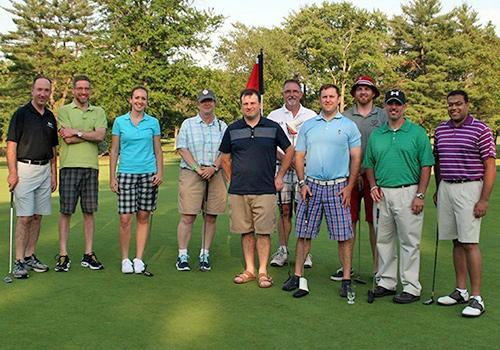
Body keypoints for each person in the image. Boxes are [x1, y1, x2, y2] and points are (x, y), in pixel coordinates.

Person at [282, 84, 362, 298]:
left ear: (338, 99)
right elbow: (299, 156)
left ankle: (346, 279)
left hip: (338, 188)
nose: (327, 100)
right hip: (312, 186)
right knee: (304, 233)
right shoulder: (309, 125)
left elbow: (356, 157)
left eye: (331, 96)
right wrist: (302, 183)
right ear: (320, 99)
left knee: (344, 236)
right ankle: (297, 275)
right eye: (324, 96)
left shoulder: (348, 126)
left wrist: (350, 186)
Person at [364, 89, 434, 304]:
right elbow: (369, 164)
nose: (394, 107)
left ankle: (411, 287)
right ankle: (386, 281)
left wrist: (420, 195)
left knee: (409, 241)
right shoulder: (377, 134)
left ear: (404, 107)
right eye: (390, 104)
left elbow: (426, 164)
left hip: (408, 191)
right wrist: (373, 185)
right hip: (382, 193)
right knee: (383, 240)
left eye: (397, 104)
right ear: (385, 107)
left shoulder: (416, 132)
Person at [219, 88, 293, 288]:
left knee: (264, 232)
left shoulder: (272, 127)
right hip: (239, 190)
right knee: (246, 231)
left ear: (259, 104)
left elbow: (289, 150)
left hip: (265, 189)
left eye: (252, 103)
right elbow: (225, 157)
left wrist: (280, 176)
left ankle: (263, 272)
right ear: (241, 106)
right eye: (245, 104)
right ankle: (250, 270)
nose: (249, 106)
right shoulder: (233, 129)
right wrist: (230, 179)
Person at [434, 90, 496, 317]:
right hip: (447, 188)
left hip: (470, 187)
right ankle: (460, 290)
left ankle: (477, 298)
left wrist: (484, 199)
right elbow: (439, 160)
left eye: (458, 104)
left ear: (467, 104)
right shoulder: (441, 129)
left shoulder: (481, 129)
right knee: (456, 242)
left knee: (469, 243)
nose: (454, 108)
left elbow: (489, 165)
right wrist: (439, 188)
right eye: (450, 105)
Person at [331, 75, 387, 281]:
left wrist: (369, 174)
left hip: (376, 178)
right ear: (354, 93)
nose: (363, 92)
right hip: (349, 178)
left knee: (376, 224)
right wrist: (353, 174)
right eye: (359, 89)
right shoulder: (344, 116)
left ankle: (378, 269)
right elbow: (340, 148)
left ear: (373, 93)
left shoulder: (382, 116)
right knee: (348, 222)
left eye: (367, 89)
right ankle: (347, 267)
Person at [6, 75, 58, 279]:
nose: (43, 94)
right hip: (24, 169)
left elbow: (53, 149)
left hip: (45, 170)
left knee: (37, 216)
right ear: (32, 90)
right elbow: (12, 145)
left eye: (46, 90)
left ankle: (30, 256)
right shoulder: (21, 114)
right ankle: (19, 260)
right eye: (39, 90)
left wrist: (53, 175)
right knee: (25, 217)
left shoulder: (50, 117)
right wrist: (12, 172)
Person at [55, 75, 107, 272]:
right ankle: (63, 254)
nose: (83, 92)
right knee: (66, 211)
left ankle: (88, 253)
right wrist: (89, 135)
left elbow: (100, 135)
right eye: (80, 88)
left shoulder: (99, 111)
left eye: (87, 88)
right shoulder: (64, 110)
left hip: (91, 168)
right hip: (69, 166)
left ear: (90, 90)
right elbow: (66, 139)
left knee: (88, 212)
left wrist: (76, 132)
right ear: (74, 90)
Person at [109, 86, 163, 274]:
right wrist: (112, 176)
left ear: (146, 102)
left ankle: (138, 258)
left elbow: (158, 150)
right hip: (126, 173)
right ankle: (125, 259)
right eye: (137, 98)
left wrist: (160, 171)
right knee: (125, 218)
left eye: (143, 99)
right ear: (130, 100)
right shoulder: (119, 122)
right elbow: (114, 150)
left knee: (143, 216)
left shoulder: (153, 122)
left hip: (148, 173)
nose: (140, 101)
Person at [175, 89, 227, 272]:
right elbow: (182, 148)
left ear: (214, 103)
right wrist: (198, 168)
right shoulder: (188, 124)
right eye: (204, 101)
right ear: (198, 104)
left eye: (210, 100)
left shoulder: (222, 126)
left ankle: (205, 253)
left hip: (215, 171)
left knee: (211, 215)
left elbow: (225, 151)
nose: (207, 104)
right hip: (192, 172)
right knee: (188, 215)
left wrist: (213, 167)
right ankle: (183, 255)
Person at [267, 79, 316, 268]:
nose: (291, 94)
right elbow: (269, 144)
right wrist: (286, 159)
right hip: (282, 168)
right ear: (283, 94)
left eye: (295, 91)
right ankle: (283, 250)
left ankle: (305, 253)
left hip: (305, 168)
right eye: (288, 91)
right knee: (284, 210)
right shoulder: (274, 115)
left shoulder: (311, 115)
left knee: (303, 210)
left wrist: (298, 161)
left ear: (301, 94)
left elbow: (314, 142)